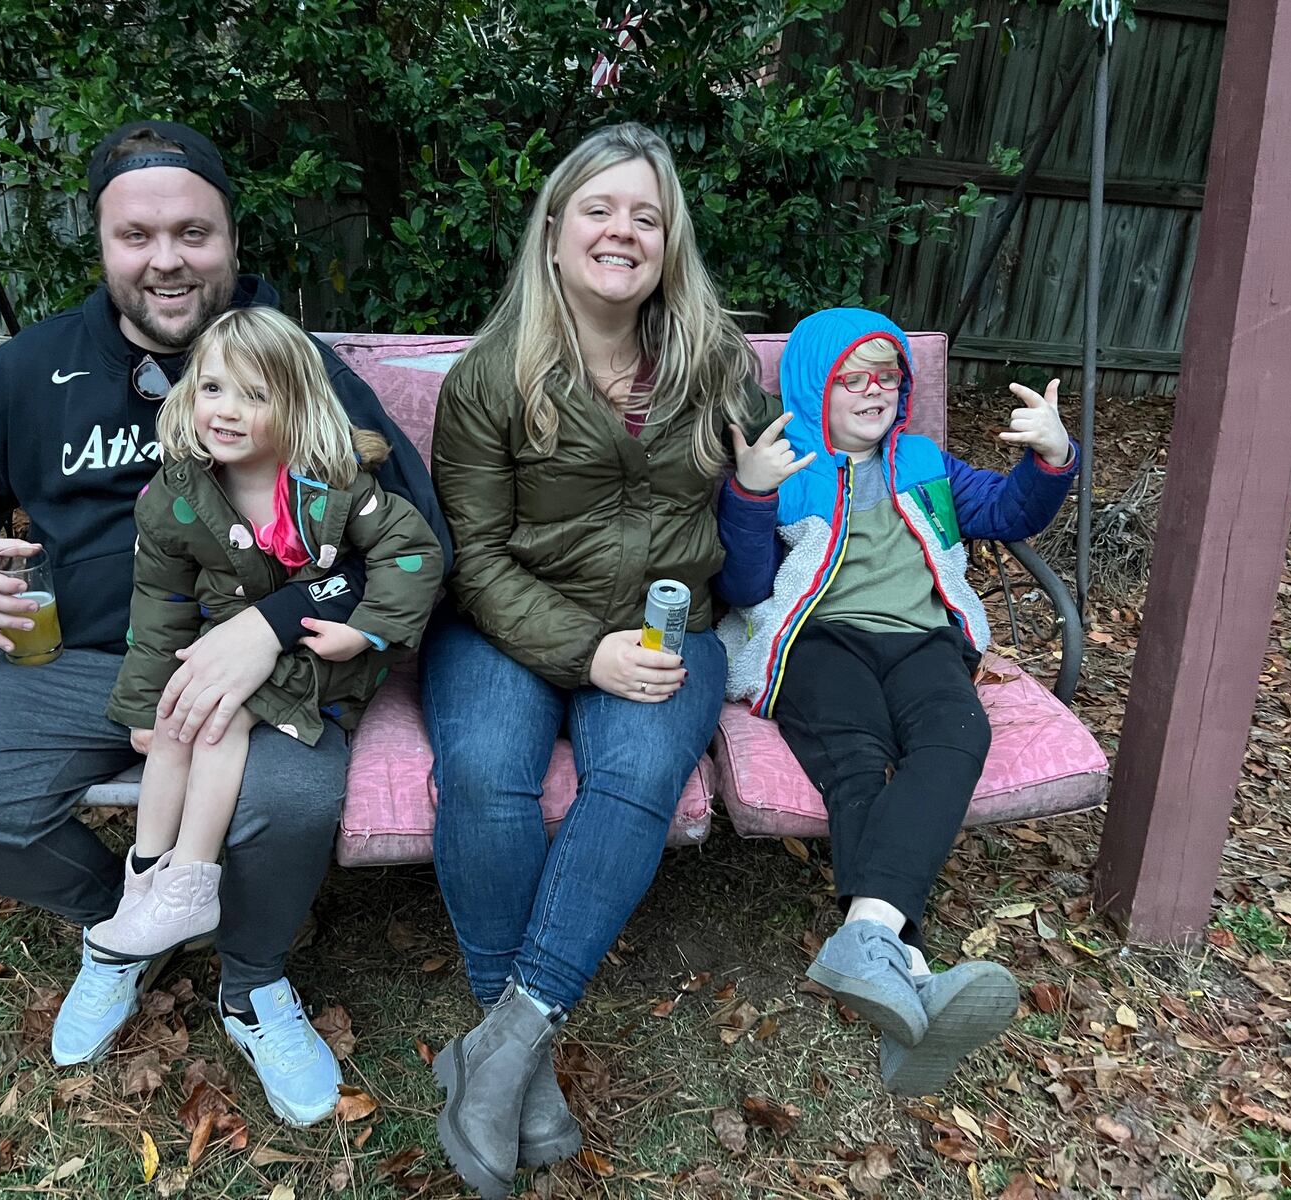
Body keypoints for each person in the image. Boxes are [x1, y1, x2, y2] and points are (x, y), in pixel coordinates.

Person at [0, 120, 450, 1122]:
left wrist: (273, 621)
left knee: (288, 802)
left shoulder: (295, 367)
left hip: (263, 668)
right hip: (82, 659)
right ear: (102, 246)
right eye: (136, 235)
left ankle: (250, 977)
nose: (166, 259)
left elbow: (414, 540)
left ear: (232, 241)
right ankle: (122, 920)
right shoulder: (33, 368)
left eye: (192, 233)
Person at [420, 122, 782, 1199]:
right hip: (504, 625)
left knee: (633, 777)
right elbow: (474, 561)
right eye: (599, 208)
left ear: (670, 243)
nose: (622, 230)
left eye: (647, 215)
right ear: (554, 228)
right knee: (486, 773)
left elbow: (768, 505)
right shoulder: (490, 377)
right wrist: (587, 652)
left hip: (669, 628)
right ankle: (514, 1065)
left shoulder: (716, 363)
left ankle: (501, 1046)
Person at [85, 305, 442, 1114]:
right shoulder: (177, 494)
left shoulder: (337, 483)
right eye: (211, 387)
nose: (225, 409)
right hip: (221, 649)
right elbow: (161, 601)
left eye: (252, 395)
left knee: (219, 717)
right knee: (180, 710)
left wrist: (370, 629)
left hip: (318, 661)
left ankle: (193, 879)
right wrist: (145, 702)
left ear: (296, 404)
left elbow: (413, 555)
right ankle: (148, 880)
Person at [715, 307, 1078, 1096]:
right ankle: (905, 963)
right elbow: (742, 587)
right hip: (819, 638)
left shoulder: (924, 461)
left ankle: (869, 940)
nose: (875, 389)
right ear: (817, 386)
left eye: (889, 373)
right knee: (857, 755)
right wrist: (747, 497)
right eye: (854, 375)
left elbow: (1011, 513)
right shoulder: (788, 468)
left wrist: (1052, 458)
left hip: (922, 639)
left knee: (956, 737)